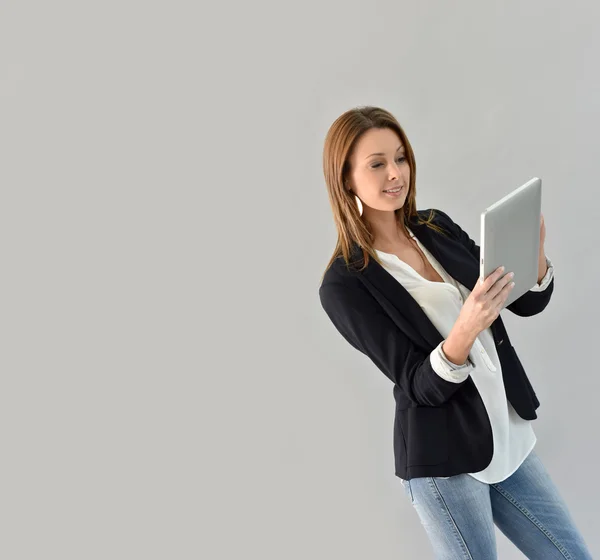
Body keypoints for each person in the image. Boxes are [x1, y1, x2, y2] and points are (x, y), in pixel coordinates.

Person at [318, 106, 592, 559]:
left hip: (505, 433)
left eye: (401, 158)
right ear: (346, 178)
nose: (395, 174)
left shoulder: (435, 227)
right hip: (444, 459)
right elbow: (418, 386)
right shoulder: (345, 283)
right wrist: (465, 327)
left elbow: (525, 301)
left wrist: (533, 257)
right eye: (377, 163)